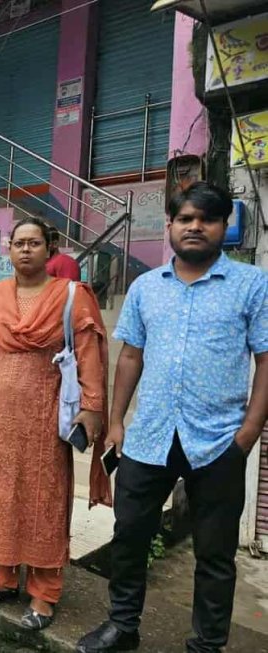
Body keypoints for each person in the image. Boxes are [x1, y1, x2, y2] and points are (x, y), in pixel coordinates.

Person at [77, 182, 268, 653]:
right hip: (149, 437)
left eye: (207, 219)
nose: (195, 227)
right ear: (169, 227)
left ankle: (207, 644)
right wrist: (117, 422)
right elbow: (129, 358)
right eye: (185, 219)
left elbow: (266, 360)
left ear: (224, 227)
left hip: (219, 441)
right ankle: (122, 625)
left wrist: (247, 434)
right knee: (129, 536)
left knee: (215, 553)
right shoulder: (145, 288)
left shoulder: (252, 284)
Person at [0, 217, 110, 631]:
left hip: (47, 417)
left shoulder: (72, 296)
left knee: (45, 499)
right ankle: (4, 578)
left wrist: (92, 407)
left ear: (50, 248)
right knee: (0, 492)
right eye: (18, 243)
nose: (25, 250)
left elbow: (89, 353)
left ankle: (45, 594)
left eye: (34, 243)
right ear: (8, 250)